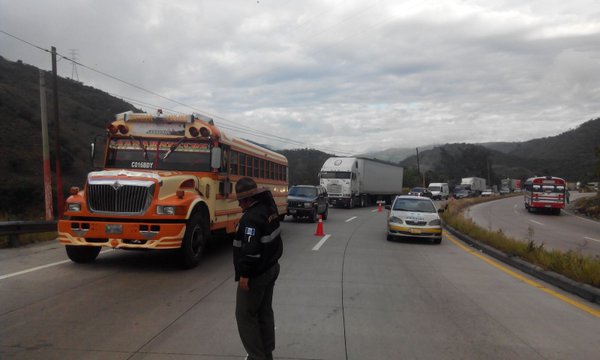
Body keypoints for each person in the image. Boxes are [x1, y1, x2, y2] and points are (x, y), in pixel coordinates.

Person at [233, 177, 283, 360]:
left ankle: (256, 356)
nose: (239, 205)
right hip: (271, 267)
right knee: (264, 311)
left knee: (245, 316)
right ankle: (266, 351)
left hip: (256, 274)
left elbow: (251, 251)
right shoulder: (268, 209)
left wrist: (245, 275)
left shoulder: (250, 219)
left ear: (247, 199)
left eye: (239, 201)